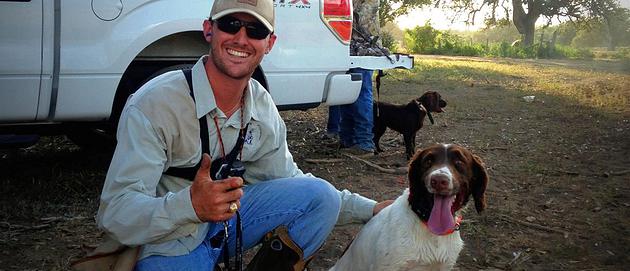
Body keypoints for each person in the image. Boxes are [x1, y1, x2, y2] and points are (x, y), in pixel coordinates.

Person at [95, 0, 391, 270]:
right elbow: (116, 212)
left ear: (269, 43)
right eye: (230, 24)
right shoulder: (155, 104)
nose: (241, 39)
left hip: (228, 225)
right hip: (170, 242)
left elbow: (288, 179)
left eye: (255, 30)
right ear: (209, 30)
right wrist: (191, 206)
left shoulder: (260, 104)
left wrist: (372, 208)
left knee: (320, 198)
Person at [326, 68, 376, 154]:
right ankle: (347, 139)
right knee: (346, 95)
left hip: (360, 61)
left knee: (361, 95)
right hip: (348, 59)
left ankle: (364, 144)